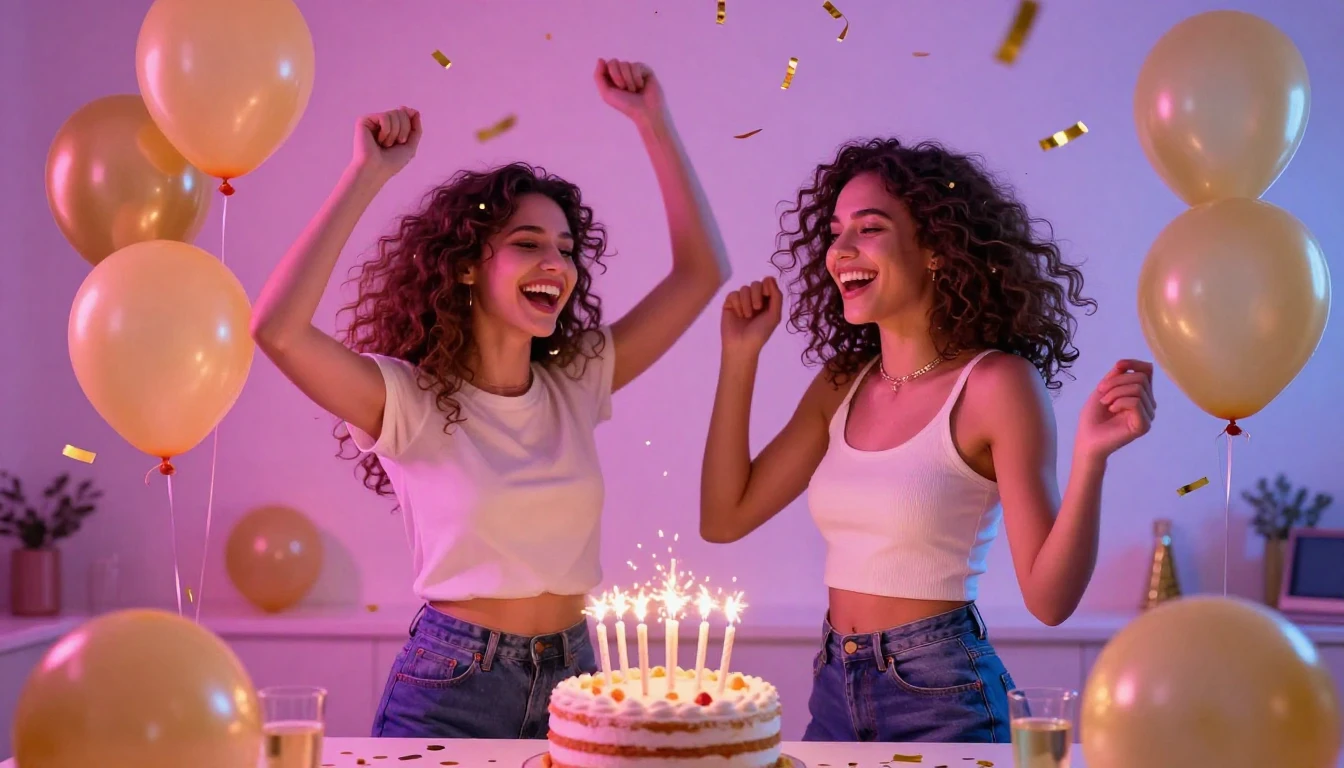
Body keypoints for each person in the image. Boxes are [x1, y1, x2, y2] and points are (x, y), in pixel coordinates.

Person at [251, 58, 731, 739]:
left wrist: (653, 123)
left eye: (566, 249)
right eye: (528, 243)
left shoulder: (578, 378)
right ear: (470, 264)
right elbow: (277, 330)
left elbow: (701, 271)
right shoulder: (408, 398)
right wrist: (367, 175)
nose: (556, 265)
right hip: (455, 684)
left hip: (578, 678)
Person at [699, 138, 1155, 743]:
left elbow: (1050, 600)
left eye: (870, 228)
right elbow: (724, 517)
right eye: (836, 232)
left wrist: (1090, 458)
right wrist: (739, 357)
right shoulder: (842, 383)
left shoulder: (996, 382)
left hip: (941, 693)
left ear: (936, 249)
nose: (841, 250)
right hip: (834, 683)